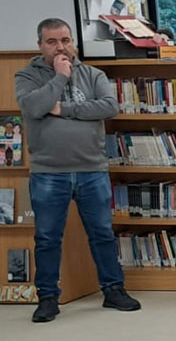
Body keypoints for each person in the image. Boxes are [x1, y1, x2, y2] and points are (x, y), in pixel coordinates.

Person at [14, 18, 142, 323]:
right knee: (47, 237)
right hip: (49, 172)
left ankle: (113, 290)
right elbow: (33, 108)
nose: (61, 47)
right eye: (53, 42)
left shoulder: (93, 74)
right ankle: (47, 298)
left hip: (91, 169)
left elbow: (109, 107)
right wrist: (59, 78)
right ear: (40, 45)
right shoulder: (27, 76)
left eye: (66, 40)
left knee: (101, 234)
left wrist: (63, 109)